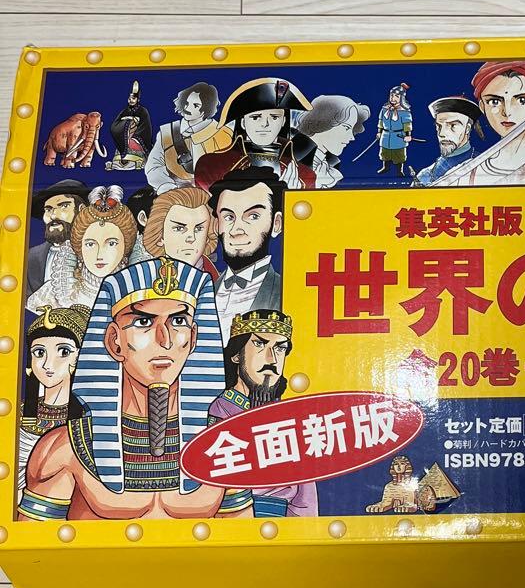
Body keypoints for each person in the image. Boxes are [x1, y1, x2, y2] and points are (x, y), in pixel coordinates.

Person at [18, 257, 252, 521]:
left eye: (178, 321)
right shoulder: (63, 450)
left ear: (194, 337)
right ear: (114, 341)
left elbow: (244, 541)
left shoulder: (226, 445)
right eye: (143, 322)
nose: (164, 340)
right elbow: (36, 545)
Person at [207, 308, 318, 518]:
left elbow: (306, 499)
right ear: (236, 355)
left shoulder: (291, 418)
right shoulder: (218, 412)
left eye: (280, 348)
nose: (271, 359)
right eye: (259, 344)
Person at [28, 186, 138, 313]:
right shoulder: (54, 292)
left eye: (111, 243)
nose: (99, 255)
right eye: (90, 244)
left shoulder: (141, 287)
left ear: (126, 247)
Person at [194, 78, 316, 190]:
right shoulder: (211, 165)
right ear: (243, 122)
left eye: (274, 117)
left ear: (283, 121)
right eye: (256, 117)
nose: (265, 124)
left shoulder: (304, 175)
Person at [18, 305, 90, 490]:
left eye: (63, 352)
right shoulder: (16, 414)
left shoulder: (91, 418)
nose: (48, 364)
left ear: (80, 356)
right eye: (39, 352)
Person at [208, 167, 285, 337]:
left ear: (276, 223)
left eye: (253, 216)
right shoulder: (203, 293)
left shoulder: (285, 292)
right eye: (229, 217)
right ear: (216, 225)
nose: (237, 230)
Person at [145, 82, 223, 193]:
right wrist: (167, 187)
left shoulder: (219, 132)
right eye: (186, 103)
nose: (187, 108)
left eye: (195, 105)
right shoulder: (167, 132)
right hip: (174, 194)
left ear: (206, 108)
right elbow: (153, 166)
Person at [26, 181, 90, 297]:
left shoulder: (100, 252)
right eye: (48, 209)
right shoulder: (31, 257)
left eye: (64, 206)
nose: (53, 215)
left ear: (82, 210)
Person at [142, 186, 220, 280]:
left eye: (198, 229)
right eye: (179, 228)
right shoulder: (141, 277)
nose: (191, 238)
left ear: (207, 236)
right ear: (160, 236)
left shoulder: (219, 281)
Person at [295, 94, 371, 188]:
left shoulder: (332, 166)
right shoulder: (290, 156)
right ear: (323, 121)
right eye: (346, 128)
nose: (352, 137)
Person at [413, 96, 484, 186]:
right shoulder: (425, 176)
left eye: (452, 125)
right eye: (439, 126)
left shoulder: (484, 164)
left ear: (467, 128)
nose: (441, 133)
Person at [106, 80, 153, 172]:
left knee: (132, 143)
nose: (131, 100)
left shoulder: (143, 111)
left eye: (133, 98)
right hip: (125, 136)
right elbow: (115, 124)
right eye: (129, 98)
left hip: (138, 137)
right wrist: (126, 122)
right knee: (123, 144)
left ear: (138, 100)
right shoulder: (125, 111)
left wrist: (133, 124)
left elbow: (145, 127)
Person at [376, 84, 413, 176]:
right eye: (392, 95)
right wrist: (379, 132)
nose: (393, 98)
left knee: (399, 154)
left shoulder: (404, 111)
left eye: (396, 96)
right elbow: (381, 121)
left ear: (401, 98)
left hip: (398, 136)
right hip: (386, 135)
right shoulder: (385, 109)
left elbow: (407, 124)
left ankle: (399, 171)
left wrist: (408, 135)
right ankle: (386, 167)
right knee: (385, 153)